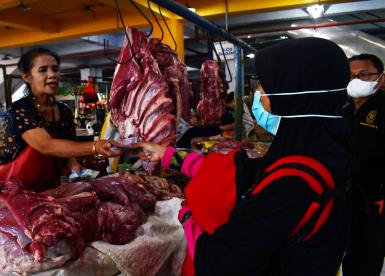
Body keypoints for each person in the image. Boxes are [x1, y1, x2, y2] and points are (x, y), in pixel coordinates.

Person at [133, 37, 352, 275]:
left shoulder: (293, 181)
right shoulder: (328, 148)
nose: (257, 93)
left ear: (293, 95)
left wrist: (186, 217)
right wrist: (168, 156)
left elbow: (224, 262)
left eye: (265, 87)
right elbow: (245, 171)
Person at [0, 48, 121, 191]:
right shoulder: (19, 109)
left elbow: (66, 149)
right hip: (14, 190)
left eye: (55, 69)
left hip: (48, 188)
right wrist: (95, 147)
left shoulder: (64, 111)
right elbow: (46, 145)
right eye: (43, 70)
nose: (52, 74)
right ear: (27, 77)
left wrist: (73, 164)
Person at [342, 54, 385, 276]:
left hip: (376, 201)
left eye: (363, 74)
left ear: (381, 78)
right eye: (350, 76)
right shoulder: (345, 111)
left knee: (367, 257)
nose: (356, 80)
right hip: (345, 197)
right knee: (347, 253)